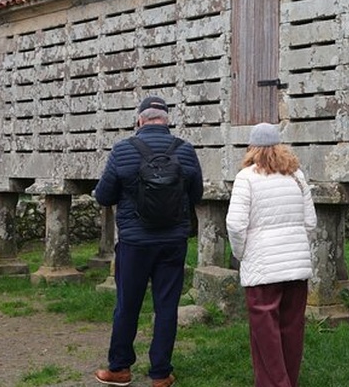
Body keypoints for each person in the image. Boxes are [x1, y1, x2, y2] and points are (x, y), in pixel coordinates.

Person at [94, 96, 204, 387]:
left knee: (126, 305)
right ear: (166, 121)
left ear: (140, 120)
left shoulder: (122, 151)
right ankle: (160, 374)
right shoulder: (186, 151)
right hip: (172, 242)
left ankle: (119, 369)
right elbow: (197, 195)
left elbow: (104, 197)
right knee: (166, 307)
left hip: (134, 242)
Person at [226, 123, 317, 387]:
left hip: (263, 268)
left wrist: (241, 253)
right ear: (279, 146)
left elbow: (235, 224)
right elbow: (310, 222)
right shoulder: (296, 175)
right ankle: (289, 380)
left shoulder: (247, 177)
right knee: (292, 329)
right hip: (296, 266)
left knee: (265, 334)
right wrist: (295, 246)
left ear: (252, 147)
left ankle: (275, 384)